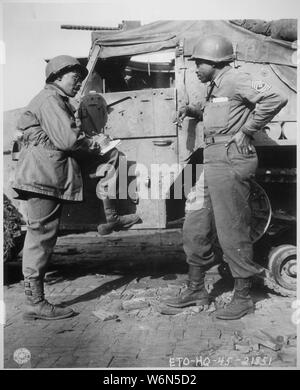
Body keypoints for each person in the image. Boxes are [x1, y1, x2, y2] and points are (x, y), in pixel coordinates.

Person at [164, 35, 288, 320]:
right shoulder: (215, 87)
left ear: (215, 61)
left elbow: (275, 97)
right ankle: (196, 288)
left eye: (199, 62)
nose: (195, 68)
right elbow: (222, 110)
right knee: (195, 225)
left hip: (231, 158)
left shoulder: (237, 78)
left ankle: (243, 296)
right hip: (212, 158)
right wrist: (190, 110)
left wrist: (247, 130)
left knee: (232, 229)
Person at [12, 55, 134, 321]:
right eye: (74, 78)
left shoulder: (55, 100)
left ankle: (109, 218)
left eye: (80, 79)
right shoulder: (50, 100)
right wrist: (95, 143)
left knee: (43, 236)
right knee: (41, 237)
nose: (78, 83)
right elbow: (68, 140)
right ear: (57, 77)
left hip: (45, 175)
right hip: (42, 177)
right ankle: (35, 302)